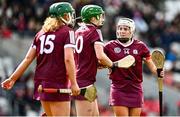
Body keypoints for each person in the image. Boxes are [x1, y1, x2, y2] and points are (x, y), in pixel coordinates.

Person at [1, 2, 80, 116]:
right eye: (68, 15)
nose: (70, 18)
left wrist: (12, 78)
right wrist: (74, 83)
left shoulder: (40, 34)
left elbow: (28, 59)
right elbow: (68, 59)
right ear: (62, 16)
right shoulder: (68, 32)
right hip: (58, 82)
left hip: (41, 84)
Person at [104, 17, 164, 116]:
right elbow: (99, 61)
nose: (122, 31)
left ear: (132, 31)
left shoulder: (141, 46)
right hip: (119, 89)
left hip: (135, 89)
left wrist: (158, 71)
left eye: (125, 29)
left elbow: (151, 65)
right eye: (120, 28)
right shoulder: (109, 46)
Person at [73, 5, 114, 116]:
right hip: (83, 81)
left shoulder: (78, 31)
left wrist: (95, 64)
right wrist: (113, 66)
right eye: (100, 16)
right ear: (92, 18)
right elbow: (100, 55)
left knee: (95, 115)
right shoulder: (95, 31)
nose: (102, 19)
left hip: (84, 80)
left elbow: (84, 56)